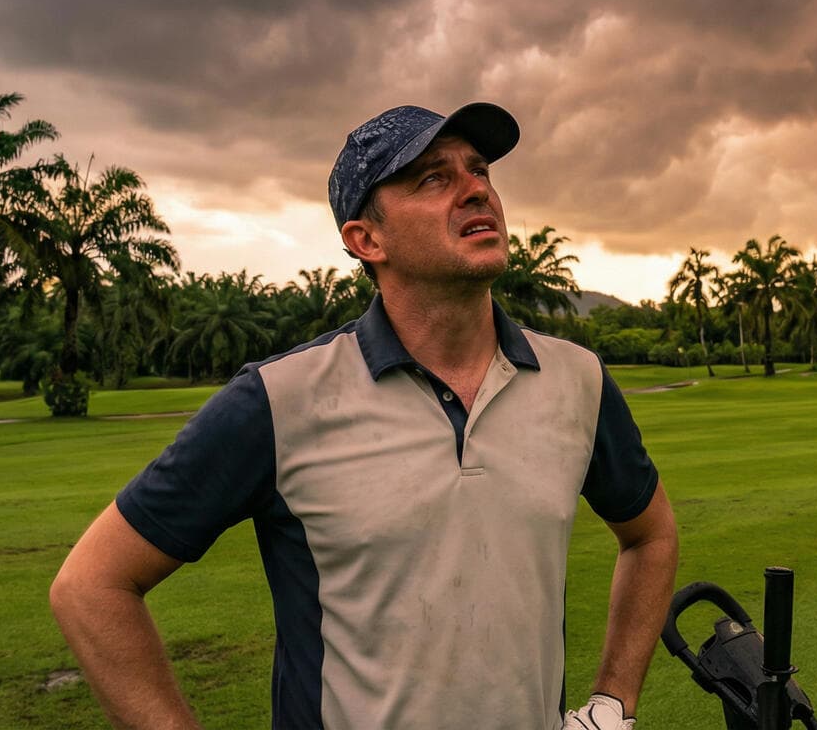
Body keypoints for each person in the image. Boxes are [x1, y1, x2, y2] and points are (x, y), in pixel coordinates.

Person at [50, 102, 680, 730]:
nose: (475, 190)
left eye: (479, 169)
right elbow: (90, 587)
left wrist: (610, 705)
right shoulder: (279, 400)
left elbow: (651, 535)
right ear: (365, 239)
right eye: (433, 177)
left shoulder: (579, 380)